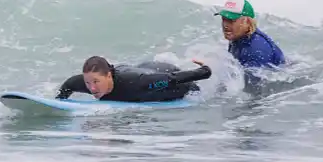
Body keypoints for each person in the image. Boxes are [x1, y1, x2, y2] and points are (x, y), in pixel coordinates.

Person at [56, 56, 211, 103]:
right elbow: (69, 85)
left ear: (108, 76)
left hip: (164, 76)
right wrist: (59, 101)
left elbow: (171, 79)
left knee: (189, 87)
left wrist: (204, 72)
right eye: (88, 83)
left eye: (96, 82)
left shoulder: (135, 84)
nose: (92, 88)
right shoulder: (90, 83)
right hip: (137, 67)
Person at [216, 0, 285, 69]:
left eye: (231, 20)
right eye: (224, 19)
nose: (225, 25)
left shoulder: (256, 51)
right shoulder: (238, 37)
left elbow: (254, 79)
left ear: (247, 22)